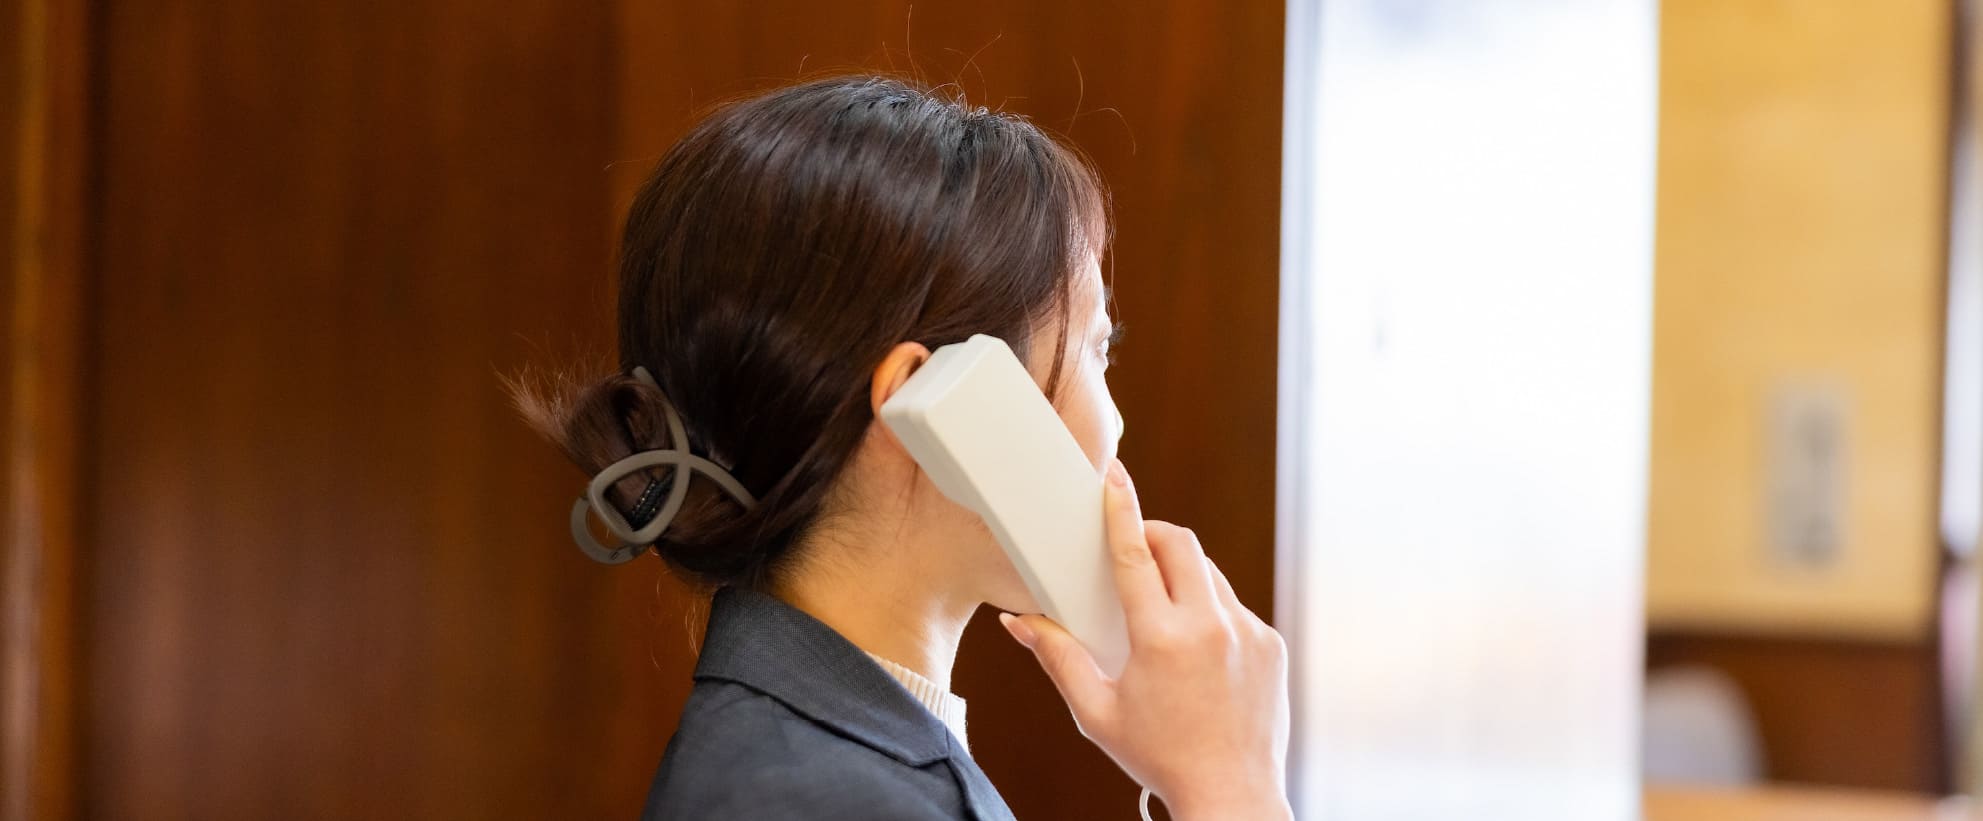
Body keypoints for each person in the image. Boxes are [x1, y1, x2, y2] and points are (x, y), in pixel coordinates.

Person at [517, 74, 1290, 820]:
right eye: (1097, 347)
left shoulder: (817, 752)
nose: (1114, 423)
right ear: (926, 400)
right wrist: (1231, 789)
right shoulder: (829, 798)